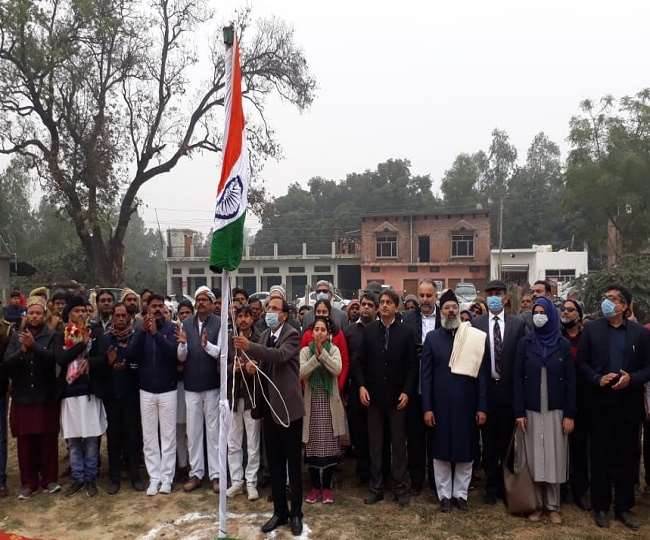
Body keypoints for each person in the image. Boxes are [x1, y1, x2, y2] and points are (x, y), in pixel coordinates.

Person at [578, 284, 650, 530]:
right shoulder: (592, 330)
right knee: (600, 457)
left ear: (624, 306)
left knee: (628, 458)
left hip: (629, 405)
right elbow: (582, 364)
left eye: (613, 299)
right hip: (600, 404)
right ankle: (600, 507)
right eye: (605, 297)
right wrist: (598, 379)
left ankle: (623, 507)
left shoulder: (640, 333)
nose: (607, 302)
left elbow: (648, 368)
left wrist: (632, 378)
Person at [233, 297, 304, 536]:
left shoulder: (292, 334)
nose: (269, 312)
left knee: (292, 464)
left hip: (288, 410)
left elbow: (280, 355)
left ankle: (296, 513)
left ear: (284, 314)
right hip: (269, 409)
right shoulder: (264, 335)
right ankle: (279, 512)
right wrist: (253, 367)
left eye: (274, 309)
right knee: (274, 463)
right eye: (268, 308)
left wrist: (250, 348)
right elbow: (264, 361)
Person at [421, 289, 488, 512]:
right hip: (439, 406)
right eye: (447, 307)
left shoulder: (472, 337)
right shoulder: (432, 339)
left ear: (459, 311)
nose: (451, 311)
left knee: (464, 451)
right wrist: (427, 408)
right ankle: (444, 495)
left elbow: (481, 375)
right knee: (440, 452)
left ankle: (461, 494)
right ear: (442, 311)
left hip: (466, 405)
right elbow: (426, 376)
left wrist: (481, 407)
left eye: (454, 307)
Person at [514, 297, 576, 524]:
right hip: (530, 411)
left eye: (543, 312)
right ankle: (536, 504)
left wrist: (570, 414)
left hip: (555, 411)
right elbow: (517, 380)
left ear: (551, 315)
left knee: (553, 457)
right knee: (533, 457)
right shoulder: (525, 343)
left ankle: (553, 506)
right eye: (535, 311)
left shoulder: (563, 345)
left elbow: (570, 382)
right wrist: (518, 412)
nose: (538, 316)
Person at [356, 289, 416, 507]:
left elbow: (412, 366)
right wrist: (361, 386)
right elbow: (358, 362)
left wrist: (407, 391)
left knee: (399, 445)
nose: (384, 306)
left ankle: (400, 487)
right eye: (381, 302)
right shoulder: (369, 331)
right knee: (375, 445)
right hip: (373, 398)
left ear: (396, 306)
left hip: (398, 399)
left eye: (388, 302)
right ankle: (376, 487)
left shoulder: (407, 332)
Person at [472, 279, 526, 504]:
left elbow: (521, 362)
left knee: (508, 443)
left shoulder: (517, 324)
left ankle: (506, 487)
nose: (494, 297)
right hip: (486, 390)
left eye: (498, 293)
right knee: (489, 442)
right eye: (490, 293)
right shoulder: (476, 324)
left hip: (509, 391)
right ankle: (491, 487)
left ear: (506, 297)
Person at [3, 296, 61, 499]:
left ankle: (49, 479)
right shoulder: (17, 336)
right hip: (23, 396)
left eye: (39, 313)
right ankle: (28, 483)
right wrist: (22, 350)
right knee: (26, 443)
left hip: (45, 396)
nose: (35, 316)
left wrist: (35, 346)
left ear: (44, 315)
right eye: (31, 313)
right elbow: (7, 365)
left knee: (47, 440)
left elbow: (54, 360)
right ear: (26, 315)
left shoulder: (52, 335)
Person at [128, 294, 178, 496]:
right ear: (147, 309)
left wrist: (157, 334)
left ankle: (167, 478)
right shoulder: (140, 329)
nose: (157, 309)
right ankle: (154, 478)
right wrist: (143, 332)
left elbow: (174, 354)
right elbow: (131, 354)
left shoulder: (172, 328)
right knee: (149, 438)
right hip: (146, 390)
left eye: (160, 306)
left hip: (168, 390)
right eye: (153, 306)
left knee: (168, 437)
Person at [57, 296, 108, 498]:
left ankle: (91, 477)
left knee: (91, 438)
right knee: (74, 439)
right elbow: (61, 359)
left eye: (83, 310)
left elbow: (103, 358)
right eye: (76, 311)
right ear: (69, 314)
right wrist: (80, 346)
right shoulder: (60, 334)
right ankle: (77, 477)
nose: (81, 314)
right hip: (69, 393)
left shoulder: (95, 332)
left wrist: (90, 363)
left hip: (89, 392)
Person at [177, 286, 222, 493]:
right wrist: (184, 346)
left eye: (205, 299)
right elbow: (181, 357)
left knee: (213, 433)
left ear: (212, 303)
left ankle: (216, 475)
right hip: (192, 386)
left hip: (212, 386)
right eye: (199, 299)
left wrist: (206, 346)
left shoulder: (219, 323)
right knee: (193, 432)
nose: (201, 302)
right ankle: (196, 473)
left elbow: (221, 353)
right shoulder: (186, 323)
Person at [300, 316, 346, 505]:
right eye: (316, 329)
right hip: (311, 403)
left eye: (323, 330)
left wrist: (323, 355)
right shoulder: (304, 351)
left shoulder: (334, 349)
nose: (319, 332)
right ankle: (314, 488)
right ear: (311, 333)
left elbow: (337, 369)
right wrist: (315, 357)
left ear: (328, 334)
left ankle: (326, 488)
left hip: (329, 404)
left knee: (328, 446)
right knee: (312, 445)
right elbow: (302, 372)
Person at [403, 278, 441, 495]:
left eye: (429, 295)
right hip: (413, 386)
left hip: (437, 387)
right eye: (422, 295)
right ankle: (417, 480)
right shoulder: (407, 319)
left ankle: (436, 480)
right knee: (415, 437)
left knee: (435, 436)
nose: (425, 299)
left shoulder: (445, 319)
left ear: (436, 296)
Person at [103, 303, 144, 494]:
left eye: (123, 315)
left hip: (131, 394)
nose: (120, 319)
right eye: (117, 315)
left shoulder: (136, 337)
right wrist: (109, 364)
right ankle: (114, 478)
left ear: (129, 317)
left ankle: (135, 476)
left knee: (133, 437)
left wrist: (126, 365)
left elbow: (138, 361)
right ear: (112, 318)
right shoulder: (105, 338)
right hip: (112, 395)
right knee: (113, 438)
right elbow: (98, 364)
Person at [226, 305, 262, 501]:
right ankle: (237, 482)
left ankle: (251, 483)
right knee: (233, 443)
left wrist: (252, 367)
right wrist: (235, 367)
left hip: (252, 397)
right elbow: (221, 365)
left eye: (247, 316)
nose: (243, 320)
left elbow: (264, 361)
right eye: (240, 316)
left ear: (252, 319)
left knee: (253, 443)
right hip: (233, 395)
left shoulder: (258, 338)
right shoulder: (229, 340)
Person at [345, 292, 378, 484]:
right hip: (355, 389)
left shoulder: (380, 330)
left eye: (369, 305)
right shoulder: (350, 331)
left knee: (377, 433)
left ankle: (378, 471)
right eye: (363, 304)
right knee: (358, 432)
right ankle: (363, 470)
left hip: (376, 389)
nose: (365, 308)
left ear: (375, 309)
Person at [560, 299, 590, 510]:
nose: (566, 313)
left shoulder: (587, 337)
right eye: (563, 309)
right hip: (561, 398)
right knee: (561, 447)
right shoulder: (557, 337)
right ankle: (561, 488)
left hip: (585, 397)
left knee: (580, 446)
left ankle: (580, 490)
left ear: (579, 314)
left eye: (571, 310)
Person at [299, 299, 349, 397]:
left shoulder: (338, 334)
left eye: (324, 312)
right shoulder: (308, 334)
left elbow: (344, 362)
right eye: (318, 312)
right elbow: (301, 364)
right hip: (311, 388)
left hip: (333, 387)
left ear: (329, 313)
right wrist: (304, 387)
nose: (321, 314)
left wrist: (339, 387)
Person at [175, 300, 193, 482]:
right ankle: (182, 464)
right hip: (177, 387)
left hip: (195, 386)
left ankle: (195, 465)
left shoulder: (196, 331)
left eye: (188, 312)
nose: (185, 316)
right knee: (179, 428)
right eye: (182, 313)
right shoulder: (174, 333)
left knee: (194, 430)